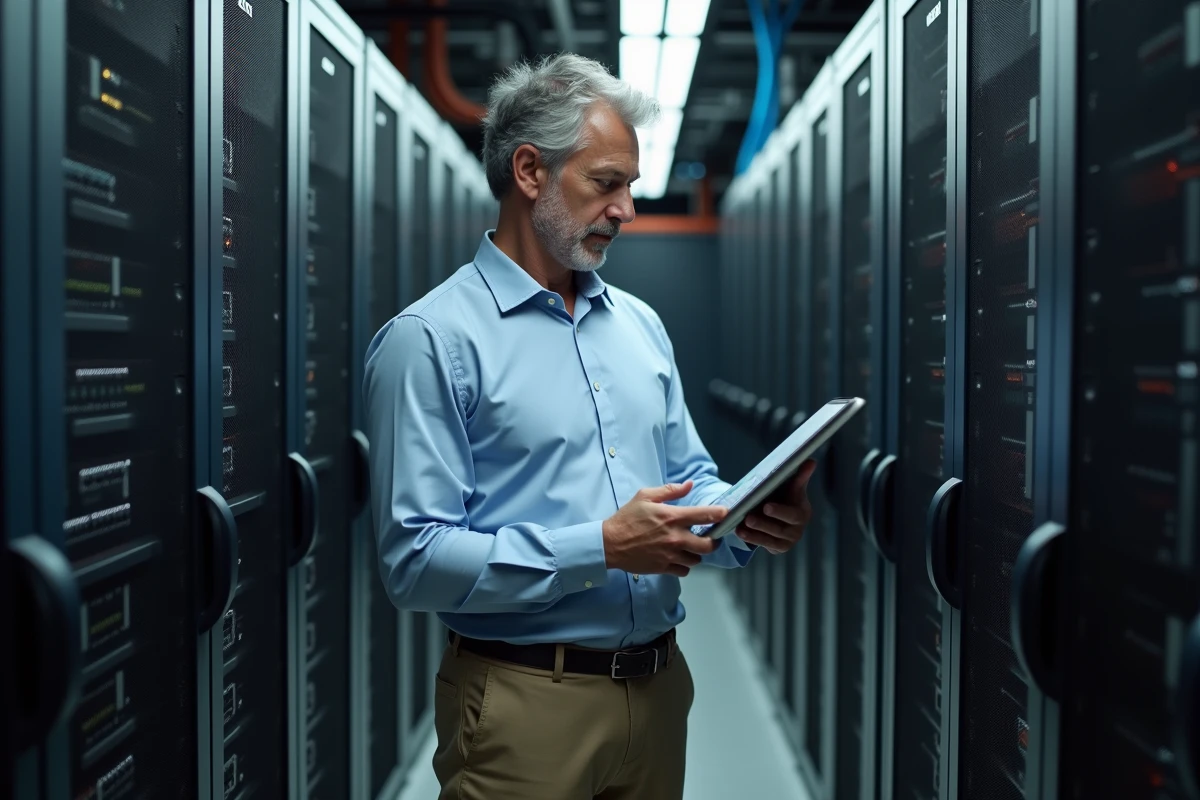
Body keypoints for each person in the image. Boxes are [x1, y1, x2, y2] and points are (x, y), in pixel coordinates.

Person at [362, 52, 816, 800]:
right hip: (523, 707)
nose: (627, 210)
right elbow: (414, 559)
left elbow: (690, 476)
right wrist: (601, 546)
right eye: (606, 184)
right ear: (531, 171)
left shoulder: (640, 327)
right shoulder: (432, 340)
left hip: (661, 692)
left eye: (629, 186)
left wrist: (743, 516)